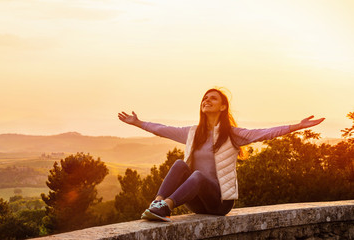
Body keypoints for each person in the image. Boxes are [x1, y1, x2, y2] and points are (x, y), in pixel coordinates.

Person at [117, 88, 324, 221]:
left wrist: (297, 126)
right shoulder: (192, 133)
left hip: (220, 202)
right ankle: (157, 204)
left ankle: (166, 207)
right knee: (181, 164)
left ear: (223, 106)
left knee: (197, 175)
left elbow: (264, 134)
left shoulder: (232, 134)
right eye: (204, 98)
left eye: (212, 98)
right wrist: (138, 123)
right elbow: (162, 129)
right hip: (197, 200)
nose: (206, 100)